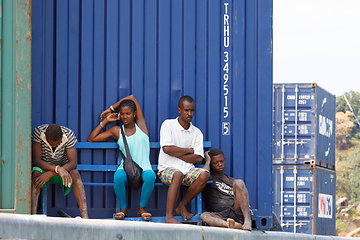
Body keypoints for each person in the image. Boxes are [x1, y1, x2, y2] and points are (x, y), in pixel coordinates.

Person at [88, 95, 156, 221]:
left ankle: (141, 208)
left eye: (128, 113)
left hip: (144, 168)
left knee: (151, 176)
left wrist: (111, 108)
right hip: (126, 168)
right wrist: (106, 121)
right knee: (118, 176)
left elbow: (132, 97)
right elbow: (92, 138)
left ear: (134, 114)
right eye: (122, 114)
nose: (125, 116)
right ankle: (123, 209)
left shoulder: (141, 125)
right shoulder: (117, 130)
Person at [158, 95, 210, 223]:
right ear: (179, 110)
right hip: (167, 170)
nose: (189, 113)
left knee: (204, 175)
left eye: (192, 110)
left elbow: (198, 158)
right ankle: (169, 217)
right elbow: (166, 149)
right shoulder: (168, 125)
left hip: (188, 171)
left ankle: (182, 205)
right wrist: (188, 150)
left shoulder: (197, 132)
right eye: (186, 110)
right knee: (178, 174)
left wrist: (175, 151)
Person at [31, 124, 89, 219]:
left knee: (75, 174)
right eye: (51, 143)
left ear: (62, 136)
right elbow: (36, 160)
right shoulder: (39, 132)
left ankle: (86, 218)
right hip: (44, 170)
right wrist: (56, 169)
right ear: (45, 135)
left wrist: (52, 172)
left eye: (57, 143)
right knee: (35, 174)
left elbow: (73, 163)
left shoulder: (68, 134)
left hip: (63, 171)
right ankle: (32, 215)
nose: (54, 146)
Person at [200, 149, 252, 230]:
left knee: (239, 182)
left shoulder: (233, 181)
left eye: (221, 161)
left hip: (237, 211)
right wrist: (207, 161)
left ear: (225, 160)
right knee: (204, 216)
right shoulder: (210, 178)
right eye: (215, 163)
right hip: (222, 216)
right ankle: (232, 225)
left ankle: (247, 221)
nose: (219, 164)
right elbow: (202, 175)